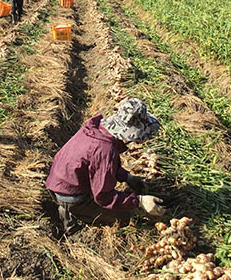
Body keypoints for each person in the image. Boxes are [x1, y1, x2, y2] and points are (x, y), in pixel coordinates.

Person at [46, 98, 165, 233]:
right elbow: (104, 197)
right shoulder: (105, 150)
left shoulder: (96, 129)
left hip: (60, 179)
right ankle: (73, 212)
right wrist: (139, 201)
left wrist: (127, 177)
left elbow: (98, 166)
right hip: (71, 194)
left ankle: (69, 208)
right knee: (125, 218)